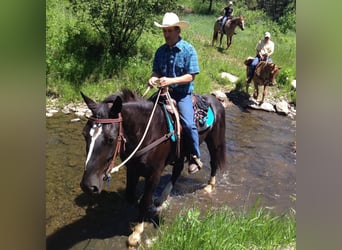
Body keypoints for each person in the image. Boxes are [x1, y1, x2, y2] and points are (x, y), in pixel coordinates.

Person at [148, 12, 203, 174]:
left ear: (178, 31)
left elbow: (191, 76)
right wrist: (152, 78)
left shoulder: (188, 50)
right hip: (163, 93)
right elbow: (156, 71)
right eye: (165, 31)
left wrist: (171, 81)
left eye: (170, 31)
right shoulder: (160, 51)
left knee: (188, 123)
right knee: (146, 114)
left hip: (182, 95)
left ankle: (195, 156)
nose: (166, 34)